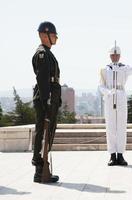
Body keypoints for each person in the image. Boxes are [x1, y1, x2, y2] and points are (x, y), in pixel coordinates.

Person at [31, 21, 61, 183]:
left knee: (47, 132)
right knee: (42, 132)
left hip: (49, 98)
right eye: (53, 35)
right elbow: (43, 81)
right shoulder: (42, 54)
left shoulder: (47, 52)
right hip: (45, 99)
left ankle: (42, 168)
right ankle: (39, 169)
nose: (56, 38)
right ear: (44, 35)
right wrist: (47, 101)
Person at [99, 44, 132, 166]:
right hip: (110, 96)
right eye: (113, 55)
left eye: (117, 55)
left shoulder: (123, 68)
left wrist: (124, 68)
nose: (115, 57)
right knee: (110, 127)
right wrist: (108, 92)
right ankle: (112, 155)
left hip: (121, 95)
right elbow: (100, 85)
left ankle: (120, 155)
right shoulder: (104, 69)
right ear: (110, 56)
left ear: (119, 56)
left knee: (121, 126)